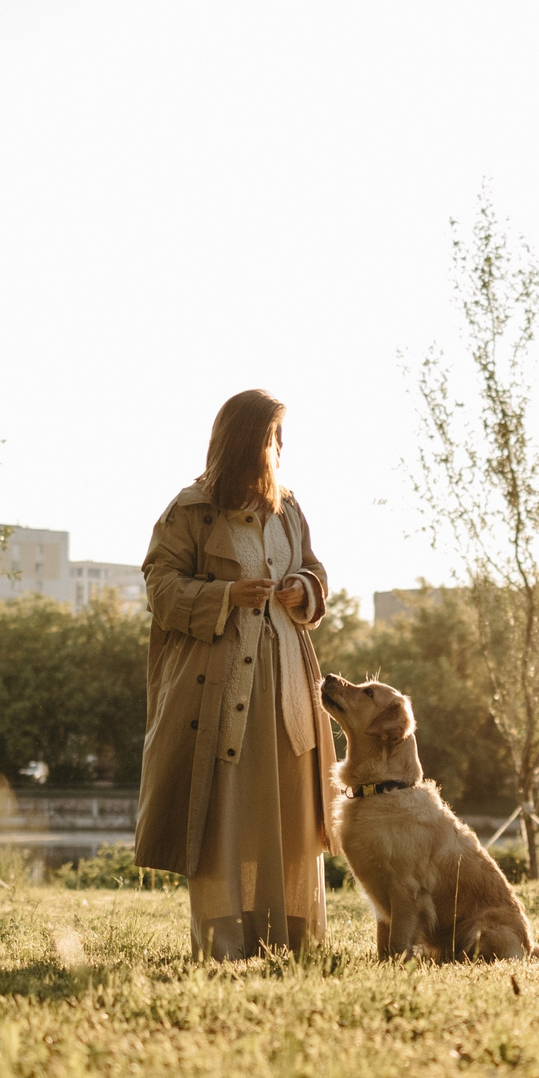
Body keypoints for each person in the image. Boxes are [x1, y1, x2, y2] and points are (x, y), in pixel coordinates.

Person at [134, 389, 335, 958]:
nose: (279, 449)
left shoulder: (289, 508)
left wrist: (304, 589)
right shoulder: (189, 510)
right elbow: (161, 586)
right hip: (219, 694)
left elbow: (316, 569)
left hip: (289, 685)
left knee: (292, 814)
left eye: (281, 438)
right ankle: (226, 943)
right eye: (271, 437)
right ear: (246, 442)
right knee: (225, 814)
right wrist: (226, 595)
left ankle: (296, 942)